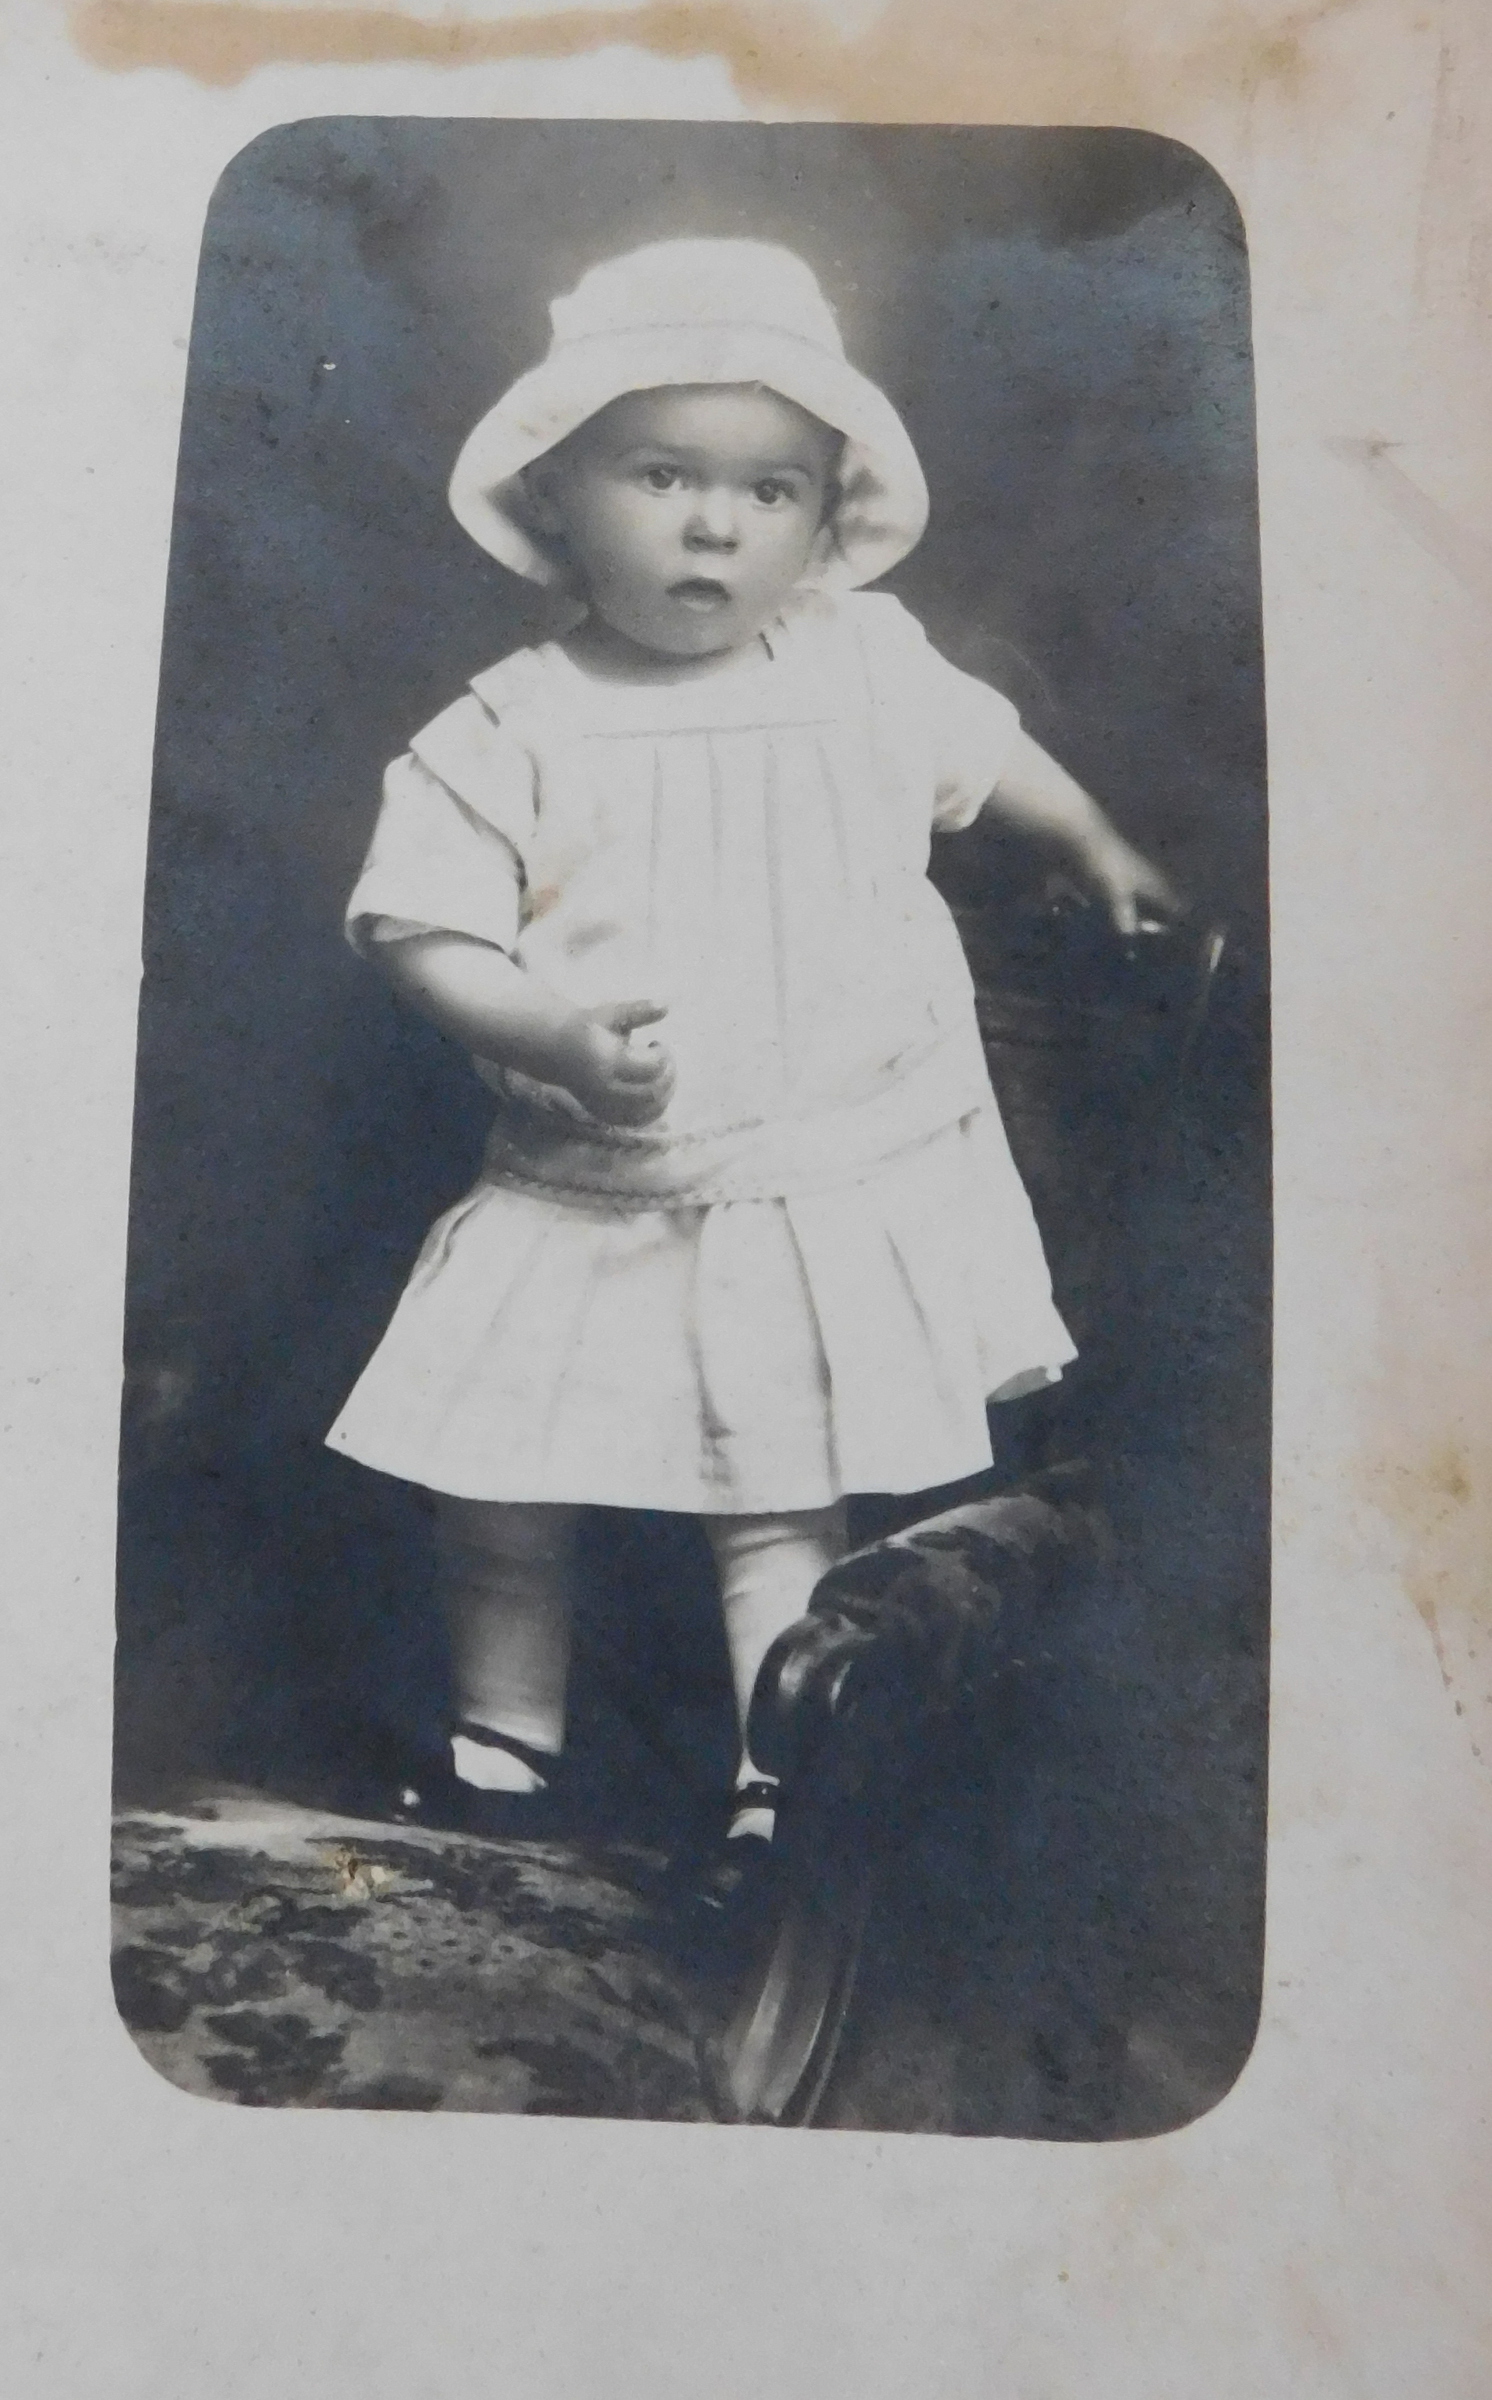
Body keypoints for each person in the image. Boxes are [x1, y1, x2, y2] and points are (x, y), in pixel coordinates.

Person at [326, 238, 1178, 1896]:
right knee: (498, 1483)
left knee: (777, 1497)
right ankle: (504, 1749)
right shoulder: (512, 724)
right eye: (663, 477)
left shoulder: (862, 668)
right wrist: (553, 1034)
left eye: (768, 489)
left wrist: (1098, 841)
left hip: (810, 1164)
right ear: (558, 494)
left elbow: (990, 753)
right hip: (594, 1178)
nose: (716, 526)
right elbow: (419, 929)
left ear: (823, 514)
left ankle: (774, 1788)